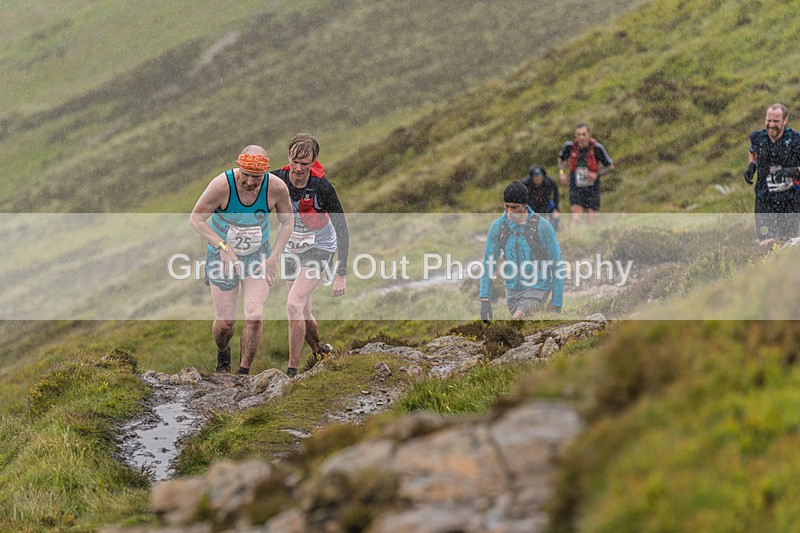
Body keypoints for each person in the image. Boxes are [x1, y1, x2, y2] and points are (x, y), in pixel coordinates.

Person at [189, 145, 293, 375]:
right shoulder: (221, 186)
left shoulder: (275, 187)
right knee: (225, 324)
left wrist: (275, 256)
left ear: (264, 174)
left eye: (256, 177)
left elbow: (288, 222)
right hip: (222, 256)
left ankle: (242, 373)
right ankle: (223, 350)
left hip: (258, 256)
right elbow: (196, 219)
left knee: (254, 317)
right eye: (245, 175)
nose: (249, 182)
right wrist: (222, 247)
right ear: (238, 168)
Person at [271, 134, 349, 377]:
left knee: (293, 305)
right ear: (288, 157)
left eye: (305, 164)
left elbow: (342, 228)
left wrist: (341, 273)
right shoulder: (277, 179)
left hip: (321, 247)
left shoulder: (322, 187)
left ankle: (292, 371)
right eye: (295, 161)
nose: (298, 168)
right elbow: (248, 183)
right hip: (291, 249)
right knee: (304, 312)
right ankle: (320, 352)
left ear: (313, 161)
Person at [479, 182, 564, 321]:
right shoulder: (498, 227)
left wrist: (557, 301)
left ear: (524, 205)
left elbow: (557, 262)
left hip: (538, 286)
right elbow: (489, 262)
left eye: (515, 207)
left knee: (518, 317)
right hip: (512, 291)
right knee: (524, 327)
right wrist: (484, 297)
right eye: (506, 207)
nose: (510, 212)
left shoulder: (542, 227)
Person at [743, 103, 800, 246]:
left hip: (789, 200)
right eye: (769, 120)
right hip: (764, 199)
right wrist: (752, 166)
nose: (771, 125)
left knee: (786, 242)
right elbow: (752, 152)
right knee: (766, 242)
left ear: (785, 121)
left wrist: (792, 171)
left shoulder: (795, 140)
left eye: (776, 121)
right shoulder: (758, 138)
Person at [557, 123, 614, 224]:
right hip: (576, 186)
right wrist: (562, 173)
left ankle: (592, 236)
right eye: (578, 135)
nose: (581, 137)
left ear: (589, 134)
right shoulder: (569, 147)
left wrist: (597, 174)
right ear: (575, 135)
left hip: (592, 187)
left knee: (592, 219)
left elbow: (610, 166)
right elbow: (561, 160)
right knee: (577, 218)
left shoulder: (597, 148)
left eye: (583, 134)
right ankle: (576, 237)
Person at [521, 165, 561, 231]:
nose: (537, 179)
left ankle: (554, 231)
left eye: (539, 177)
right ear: (532, 177)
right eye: (535, 177)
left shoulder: (549, 182)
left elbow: (556, 194)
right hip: (530, 205)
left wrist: (556, 208)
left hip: (546, 204)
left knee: (555, 215)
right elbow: (520, 196)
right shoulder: (525, 183)